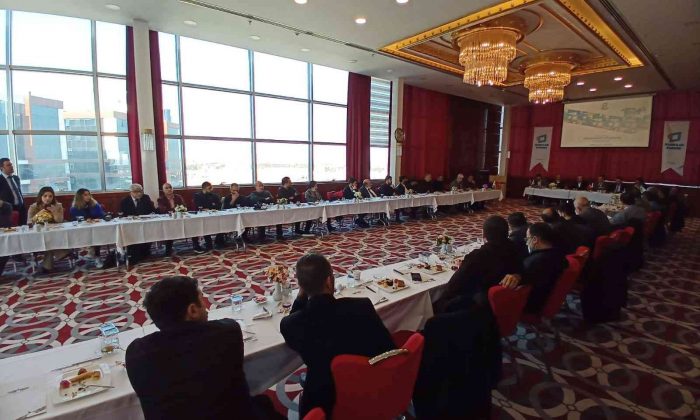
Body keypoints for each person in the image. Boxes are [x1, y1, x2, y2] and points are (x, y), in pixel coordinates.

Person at [126, 276, 282, 420]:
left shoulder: (136, 353)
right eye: (202, 300)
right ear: (192, 310)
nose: (207, 308)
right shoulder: (227, 332)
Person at [280, 254, 394, 418]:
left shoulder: (292, 324)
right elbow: (387, 346)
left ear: (301, 286)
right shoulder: (362, 306)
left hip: (323, 402)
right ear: (329, 281)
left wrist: (301, 295)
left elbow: (294, 319)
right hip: (371, 387)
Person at [435, 216, 523, 313]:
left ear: (483, 235)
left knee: (437, 304)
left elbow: (453, 286)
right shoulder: (516, 247)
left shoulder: (478, 256)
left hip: (479, 307)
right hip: (507, 304)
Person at [501, 223, 568, 315]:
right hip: (548, 296)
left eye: (527, 239)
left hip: (532, 304)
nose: (526, 242)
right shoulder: (559, 254)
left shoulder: (533, 262)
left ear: (535, 239)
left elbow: (515, 284)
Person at [28, 186, 70, 273]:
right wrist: (39, 214)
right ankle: (62, 253)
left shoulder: (58, 206)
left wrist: (55, 212)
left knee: (49, 240)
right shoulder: (33, 207)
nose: (48, 198)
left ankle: (47, 267)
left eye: (50, 196)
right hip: (39, 232)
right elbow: (29, 222)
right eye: (45, 196)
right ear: (40, 196)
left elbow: (60, 221)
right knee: (48, 240)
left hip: (55, 232)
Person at [120, 183, 157, 264]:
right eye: (136, 192)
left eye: (141, 191)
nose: (139, 193)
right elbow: (123, 214)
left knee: (150, 231)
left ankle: (145, 252)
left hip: (145, 223)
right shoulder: (125, 201)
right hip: (131, 225)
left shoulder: (145, 197)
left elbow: (152, 210)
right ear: (131, 192)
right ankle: (134, 254)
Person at [70, 188, 105, 268]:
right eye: (85, 195)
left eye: (89, 194)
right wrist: (86, 220)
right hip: (81, 230)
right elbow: (75, 220)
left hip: (96, 228)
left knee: (97, 235)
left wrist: (95, 219)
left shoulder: (94, 204)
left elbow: (102, 215)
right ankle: (90, 254)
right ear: (80, 197)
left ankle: (97, 256)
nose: (88, 196)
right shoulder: (74, 208)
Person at [157, 183, 187, 256]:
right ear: (163, 190)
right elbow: (163, 210)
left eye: (170, 187)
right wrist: (176, 209)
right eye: (166, 188)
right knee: (169, 229)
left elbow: (184, 206)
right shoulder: (161, 199)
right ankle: (168, 249)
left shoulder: (178, 197)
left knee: (192, 224)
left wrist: (177, 210)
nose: (169, 189)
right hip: (168, 219)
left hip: (180, 218)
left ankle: (196, 245)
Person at [193, 181, 225, 250]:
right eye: (209, 188)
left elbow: (218, 205)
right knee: (205, 225)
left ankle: (219, 241)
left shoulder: (214, 196)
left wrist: (210, 208)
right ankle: (208, 243)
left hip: (214, 215)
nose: (211, 190)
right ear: (204, 188)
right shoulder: (197, 195)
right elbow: (199, 207)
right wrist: (210, 207)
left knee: (223, 222)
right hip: (202, 216)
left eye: (211, 188)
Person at [0, 158, 26, 226]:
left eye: (11, 164)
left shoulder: (16, 178)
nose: (11, 166)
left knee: (24, 228)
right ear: (2, 168)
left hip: (21, 208)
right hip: (9, 210)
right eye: (8, 165)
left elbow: (19, 193)